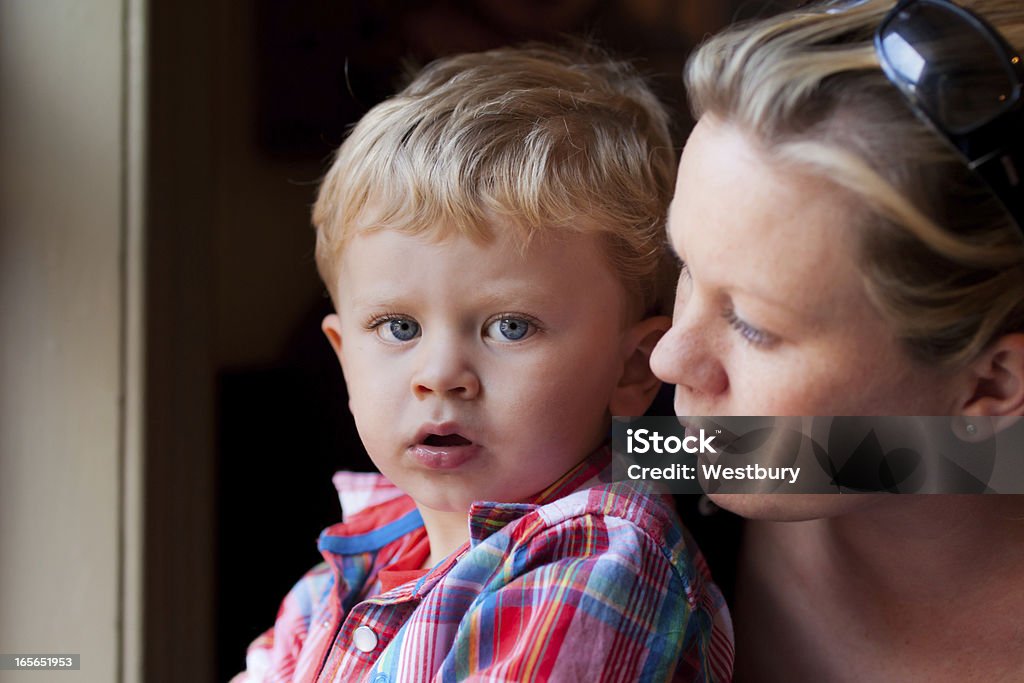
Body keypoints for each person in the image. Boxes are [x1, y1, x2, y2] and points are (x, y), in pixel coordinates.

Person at [234, 45, 733, 682]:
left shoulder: (599, 563)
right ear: (343, 358)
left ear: (633, 368)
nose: (440, 374)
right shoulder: (346, 566)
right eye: (398, 327)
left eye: (510, 326)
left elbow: (879, 456)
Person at [650, 0, 1024, 680]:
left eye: (752, 325)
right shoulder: (644, 454)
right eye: (684, 267)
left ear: (992, 384)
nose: (667, 356)